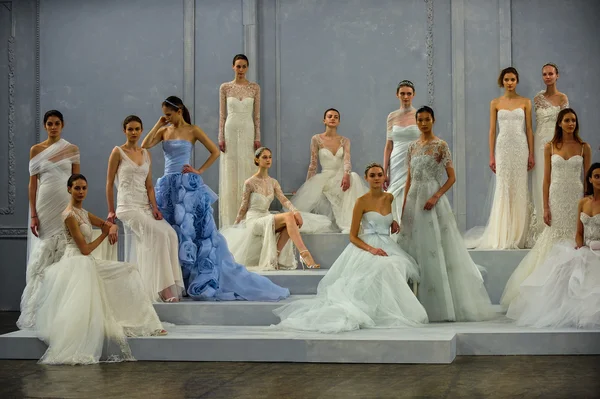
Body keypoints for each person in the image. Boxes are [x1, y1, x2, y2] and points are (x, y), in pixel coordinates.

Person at [142, 96, 289, 301]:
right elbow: (145, 144)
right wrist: (158, 124)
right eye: (164, 114)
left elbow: (215, 152)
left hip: (187, 186)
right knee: (173, 232)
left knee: (192, 233)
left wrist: (198, 170)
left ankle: (192, 279)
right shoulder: (163, 130)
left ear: (179, 110)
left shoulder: (193, 130)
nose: (166, 118)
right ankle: (176, 281)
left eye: (168, 114)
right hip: (168, 186)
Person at [273, 163, 428, 333]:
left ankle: (393, 307)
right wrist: (371, 250)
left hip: (388, 244)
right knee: (380, 268)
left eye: (379, 175)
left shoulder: (389, 198)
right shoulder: (361, 202)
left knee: (398, 264)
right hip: (367, 245)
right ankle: (372, 309)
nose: (376, 178)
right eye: (372, 175)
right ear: (367, 179)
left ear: (384, 177)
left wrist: (392, 222)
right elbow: (353, 236)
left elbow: (384, 217)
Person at [35, 174, 166, 365]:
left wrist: (111, 228)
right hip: (77, 262)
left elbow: (107, 224)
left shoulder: (83, 213)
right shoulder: (70, 215)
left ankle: (147, 323)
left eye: (84, 188)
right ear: (69, 189)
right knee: (123, 273)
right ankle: (137, 322)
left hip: (85, 261)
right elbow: (85, 249)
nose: (81, 192)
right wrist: (105, 234)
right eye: (77, 188)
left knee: (129, 270)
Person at [399, 106, 495, 322]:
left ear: (433, 120)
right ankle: (412, 304)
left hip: (432, 199)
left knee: (435, 248)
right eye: (420, 120)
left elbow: (452, 177)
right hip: (414, 198)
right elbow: (408, 179)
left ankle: (439, 305)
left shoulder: (441, 145)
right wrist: (404, 204)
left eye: (427, 119)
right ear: (416, 122)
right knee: (411, 247)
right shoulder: (412, 146)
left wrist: (436, 196)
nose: (423, 123)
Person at [501, 108, 591, 309]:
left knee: (575, 239)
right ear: (559, 123)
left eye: (573, 120)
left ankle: (573, 291)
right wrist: (546, 208)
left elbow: (588, 181)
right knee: (554, 239)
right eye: (567, 120)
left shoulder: (584, 147)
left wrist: (587, 205)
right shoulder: (550, 146)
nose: (571, 124)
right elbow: (546, 180)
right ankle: (548, 289)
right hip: (557, 198)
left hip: (576, 198)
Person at [506, 163, 600, 329]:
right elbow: (579, 232)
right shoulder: (583, 202)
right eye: (597, 176)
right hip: (585, 247)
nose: (599, 180)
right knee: (564, 267)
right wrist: (580, 245)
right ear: (590, 179)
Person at [106, 115, 184, 303]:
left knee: (171, 234)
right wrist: (111, 211)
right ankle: (164, 291)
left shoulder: (145, 154)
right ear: (124, 130)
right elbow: (109, 184)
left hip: (145, 206)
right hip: (127, 207)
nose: (133, 132)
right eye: (130, 129)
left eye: (137, 129)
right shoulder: (118, 152)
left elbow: (149, 186)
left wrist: (155, 208)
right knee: (157, 235)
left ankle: (169, 284)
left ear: (141, 130)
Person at [18, 110, 80, 330]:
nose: (53, 127)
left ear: (62, 125)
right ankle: (39, 307)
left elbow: (76, 181)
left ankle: (61, 306)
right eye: (50, 124)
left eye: (57, 123)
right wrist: (33, 213)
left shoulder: (71, 149)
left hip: (65, 204)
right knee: (45, 251)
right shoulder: (36, 150)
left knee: (64, 250)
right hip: (44, 204)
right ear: (45, 126)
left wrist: (75, 209)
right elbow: (32, 184)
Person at [465, 67, 534, 249]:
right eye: (506, 80)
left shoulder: (526, 102)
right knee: (503, 188)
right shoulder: (495, 103)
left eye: (512, 79)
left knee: (519, 188)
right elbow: (492, 131)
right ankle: (502, 233)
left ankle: (519, 234)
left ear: (517, 81)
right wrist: (491, 155)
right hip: (502, 148)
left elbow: (528, 129)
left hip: (520, 147)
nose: (509, 83)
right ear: (502, 82)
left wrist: (532, 153)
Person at [222, 147, 321, 270]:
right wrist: (236, 225)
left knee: (291, 220)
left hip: (266, 216)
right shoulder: (250, 182)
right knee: (289, 216)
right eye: (264, 157)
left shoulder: (273, 182)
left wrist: (295, 211)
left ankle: (275, 258)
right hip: (254, 221)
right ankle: (305, 254)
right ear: (257, 160)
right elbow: (244, 206)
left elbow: (283, 199)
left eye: (270, 157)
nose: (268, 160)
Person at [290, 108, 367, 233]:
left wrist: (346, 175)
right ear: (324, 120)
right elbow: (313, 164)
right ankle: (346, 222)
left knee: (354, 177)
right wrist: (307, 187)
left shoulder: (345, 140)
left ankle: (352, 221)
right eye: (330, 116)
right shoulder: (316, 139)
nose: (333, 118)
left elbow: (347, 160)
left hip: (341, 176)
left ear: (339, 122)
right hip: (325, 177)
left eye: (336, 117)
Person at [218, 54, 262, 227]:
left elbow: (257, 115)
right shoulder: (225, 88)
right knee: (231, 169)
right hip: (230, 128)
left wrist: (257, 136)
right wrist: (220, 137)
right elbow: (222, 115)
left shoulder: (254, 88)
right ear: (233, 67)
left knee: (248, 167)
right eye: (238, 66)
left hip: (248, 129)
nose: (241, 70)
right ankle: (231, 219)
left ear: (247, 68)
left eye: (244, 66)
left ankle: (247, 217)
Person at [529, 63, 570, 243]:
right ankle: (541, 226)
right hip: (539, 143)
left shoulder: (562, 98)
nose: (547, 76)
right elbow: (532, 126)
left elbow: (567, 123)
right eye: (544, 74)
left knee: (556, 180)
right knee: (541, 180)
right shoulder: (537, 99)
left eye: (551, 73)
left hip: (556, 142)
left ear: (557, 76)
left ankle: (559, 223)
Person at [384, 80, 421, 221]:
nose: (406, 97)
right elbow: (388, 145)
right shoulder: (392, 116)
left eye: (409, 94)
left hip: (415, 158)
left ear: (414, 95)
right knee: (394, 194)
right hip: (396, 161)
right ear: (397, 95)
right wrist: (385, 170)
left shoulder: (419, 115)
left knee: (412, 193)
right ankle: (396, 230)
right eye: (402, 94)